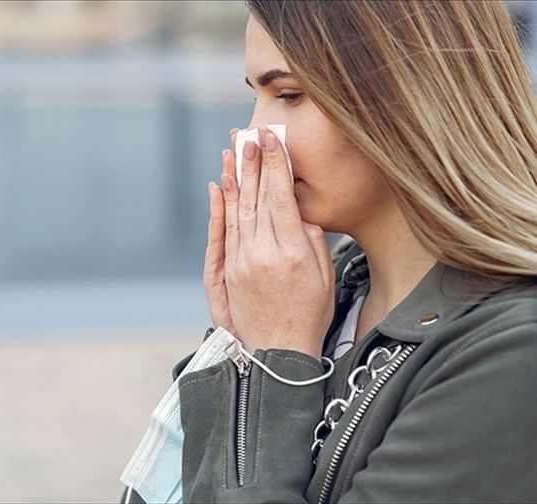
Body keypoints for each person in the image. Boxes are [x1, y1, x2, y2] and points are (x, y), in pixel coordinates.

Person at [120, 1, 537, 502]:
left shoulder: (512, 354)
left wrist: (275, 361)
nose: (252, 137)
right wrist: (240, 346)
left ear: (410, 98)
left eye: (290, 95)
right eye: (256, 95)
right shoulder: (320, 297)